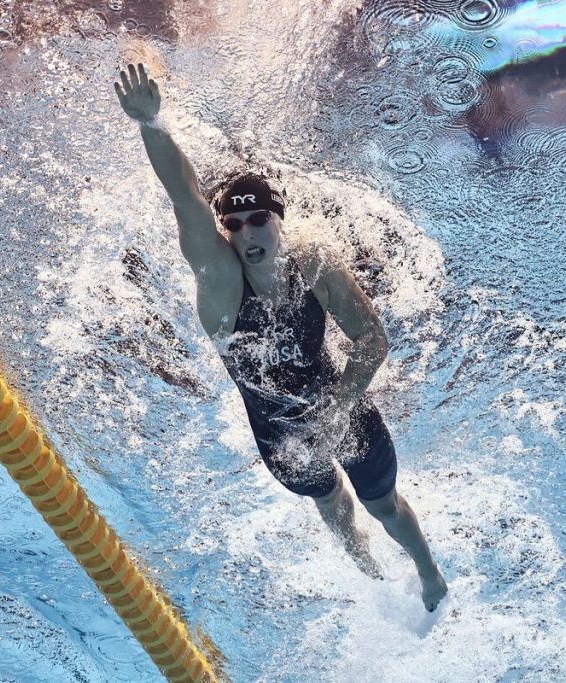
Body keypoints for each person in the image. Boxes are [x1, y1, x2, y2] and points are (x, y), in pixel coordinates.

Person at [114, 63, 448, 611]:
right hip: (281, 436)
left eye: (258, 220)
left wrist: (339, 406)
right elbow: (186, 199)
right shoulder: (220, 286)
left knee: (384, 503)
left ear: (279, 221)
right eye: (235, 225)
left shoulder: (314, 263)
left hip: (343, 407)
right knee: (332, 503)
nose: (246, 232)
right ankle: (367, 566)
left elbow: (371, 341)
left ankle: (428, 571)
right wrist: (151, 124)